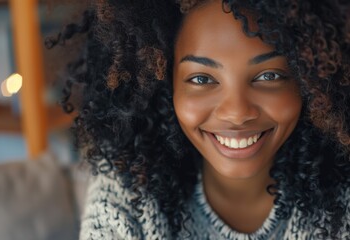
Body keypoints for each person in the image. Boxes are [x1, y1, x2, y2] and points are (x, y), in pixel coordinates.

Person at [47, 0, 350, 239]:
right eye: (202, 78)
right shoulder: (128, 196)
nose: (236, 112)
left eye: (269, 75)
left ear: (313, 84)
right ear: (165, 85)